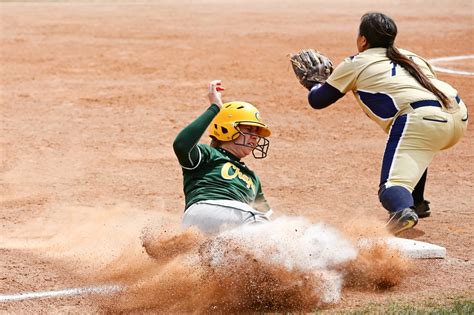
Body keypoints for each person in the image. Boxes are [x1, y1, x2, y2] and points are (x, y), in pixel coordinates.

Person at [304, 12, 468, 234]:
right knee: (417, 146)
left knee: (390, 187)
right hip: (458, 116)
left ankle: (402, 210)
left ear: (363, 40)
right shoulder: (412, 57)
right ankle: (417, 203)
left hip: (421, 121)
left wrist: (314, 83)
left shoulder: (356, 62)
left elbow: (318, 100)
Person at [173, 80, 273, 234]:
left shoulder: (253, 179)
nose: (255, 137)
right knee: (259, 224)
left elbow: (271, 220)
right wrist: (215, 108)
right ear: (227, 129)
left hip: (228, 226)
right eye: (249, 130)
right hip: (206, 210)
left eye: (257, 133)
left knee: (271, 235)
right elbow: (181, 145)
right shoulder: (209, 154)